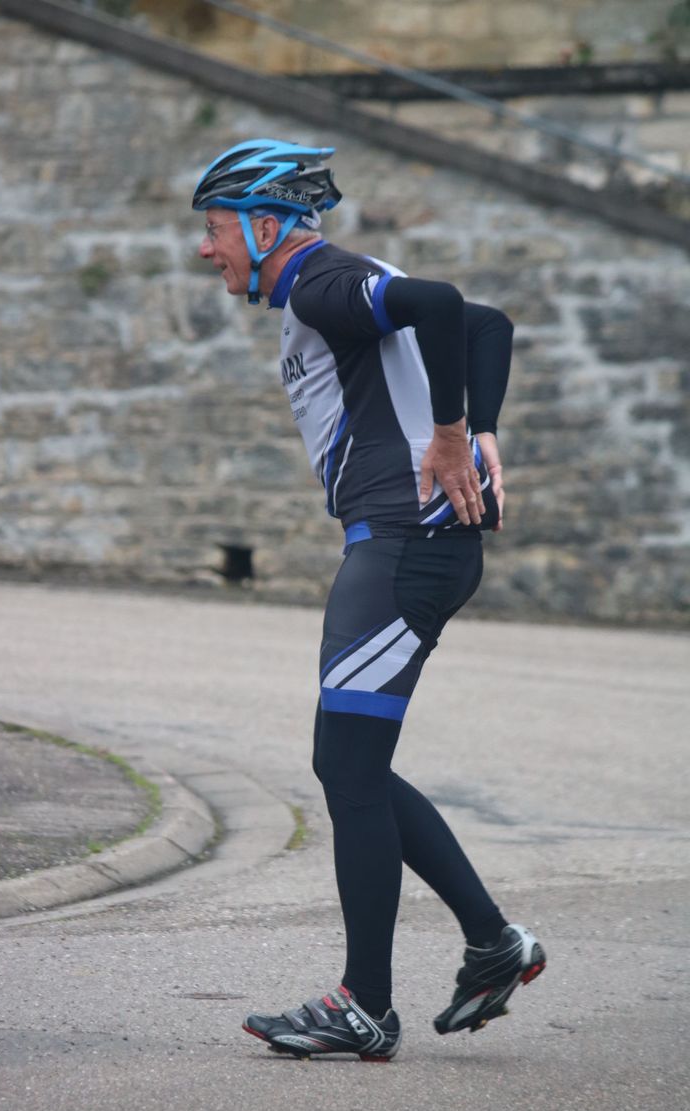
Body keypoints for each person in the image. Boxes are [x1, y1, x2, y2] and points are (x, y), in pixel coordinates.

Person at [192, 139, 546, 1061]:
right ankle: (491, 943)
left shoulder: (316, 282)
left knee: (348, 770)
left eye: (216, 229)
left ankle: (366, 1006)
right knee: (352, 764)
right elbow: (489, 323)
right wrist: (483, 428)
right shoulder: (341, 280)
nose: (205, 248)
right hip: (403, 545)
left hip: (401, 546)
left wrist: (454, 434)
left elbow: (443, 305)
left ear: (265, 226)